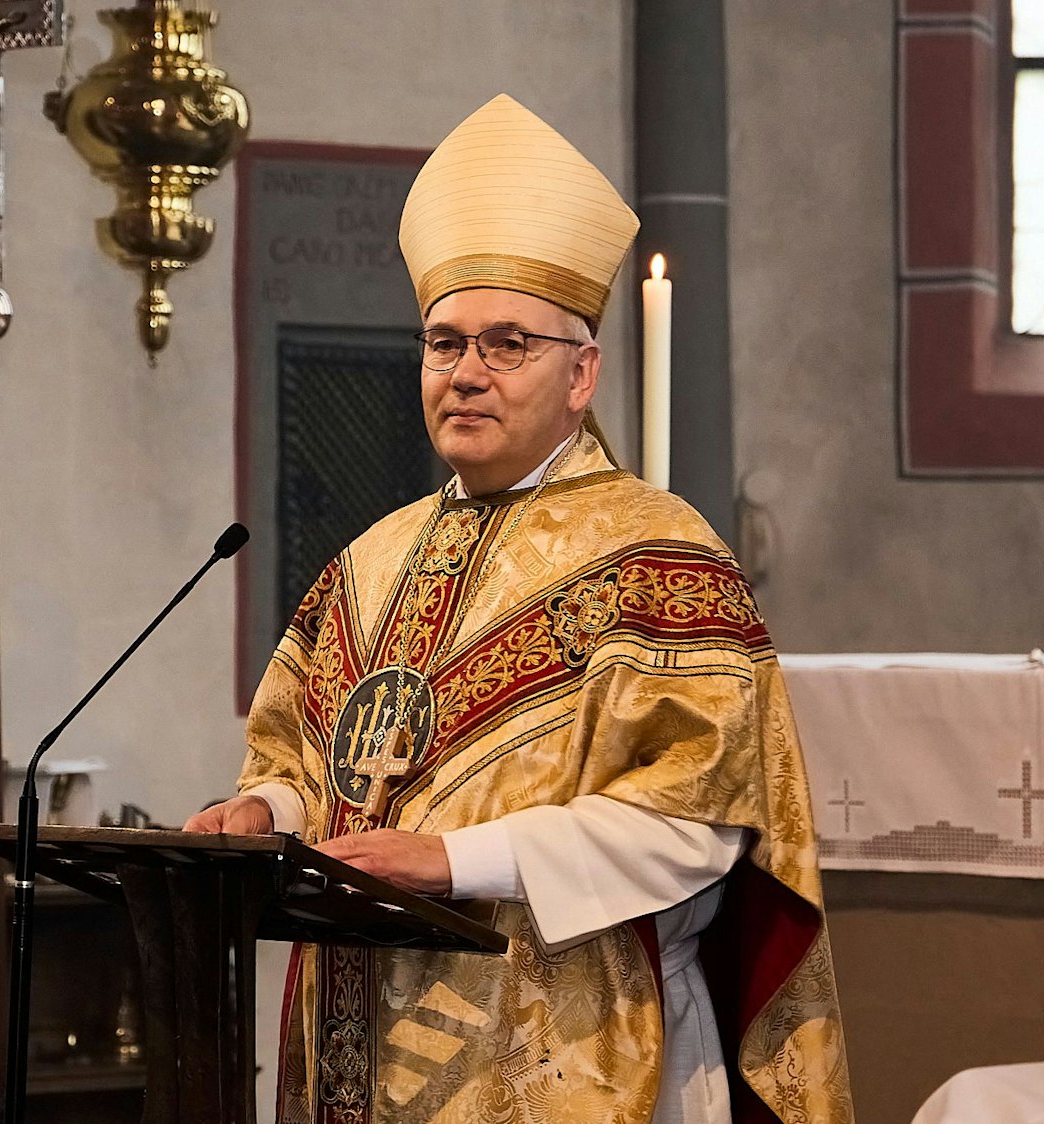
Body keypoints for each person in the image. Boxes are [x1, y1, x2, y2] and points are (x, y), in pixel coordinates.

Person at [186, 94, 851, 1124]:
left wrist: (457, 859)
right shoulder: (366, 564)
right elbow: (302, 762)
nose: (465, 373)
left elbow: (705, 819)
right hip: (356, 1041)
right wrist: (264, 815)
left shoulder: (658, 555)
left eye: (506, 344)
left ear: (581, 372)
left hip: (575, 1041)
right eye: (443, 343)